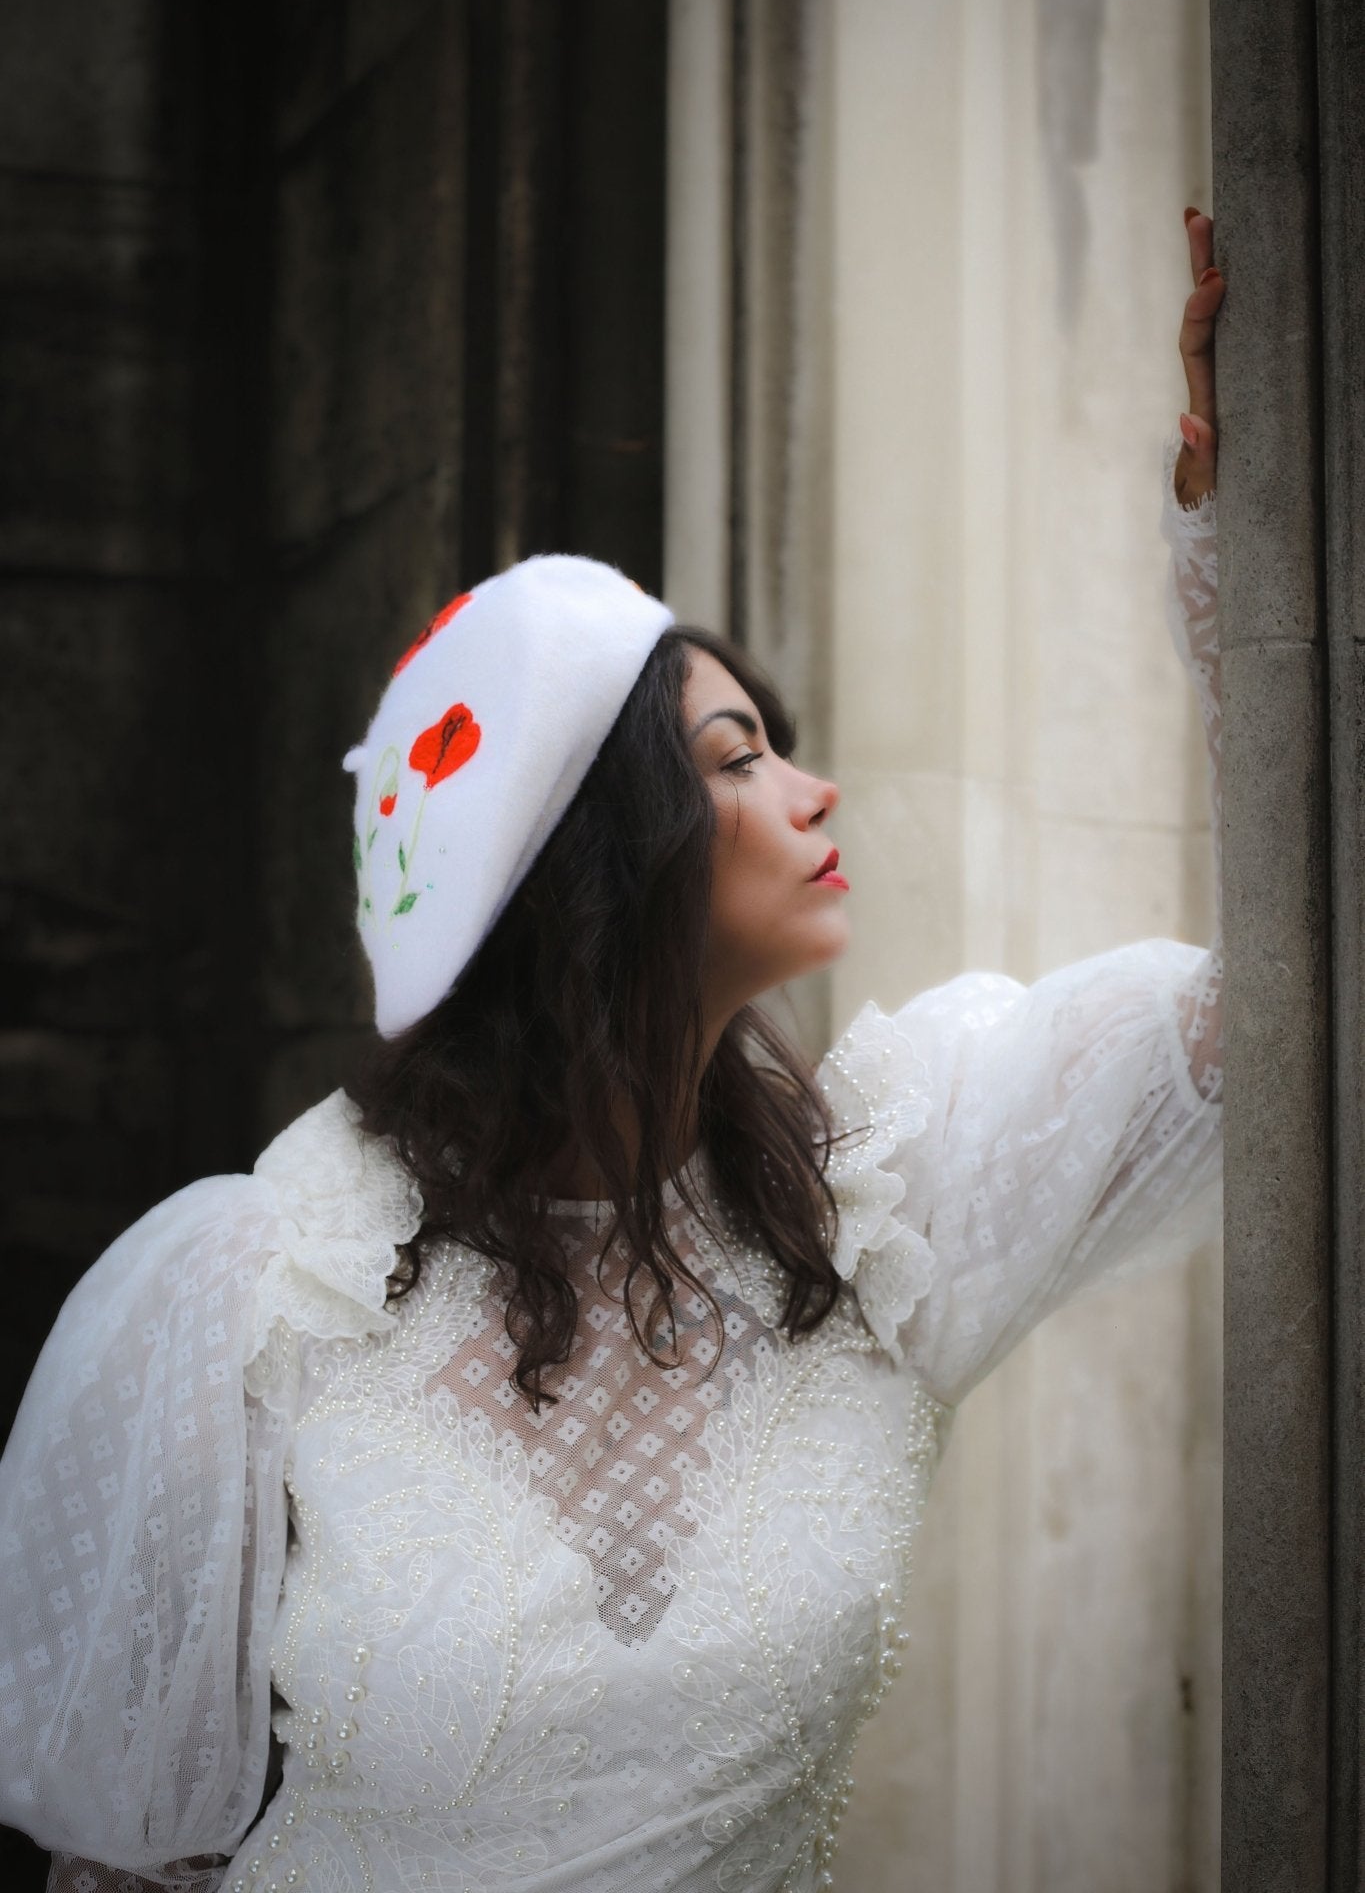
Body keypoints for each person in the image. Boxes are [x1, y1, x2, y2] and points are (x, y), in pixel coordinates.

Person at [0, 212, 1225, 1893]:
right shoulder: (269, 1287)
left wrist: (1238, 547)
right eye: (734, 760)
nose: (811, 792)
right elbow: (126, 1870)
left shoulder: (885, 1201)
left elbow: (1257, 1025)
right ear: (592, 866)